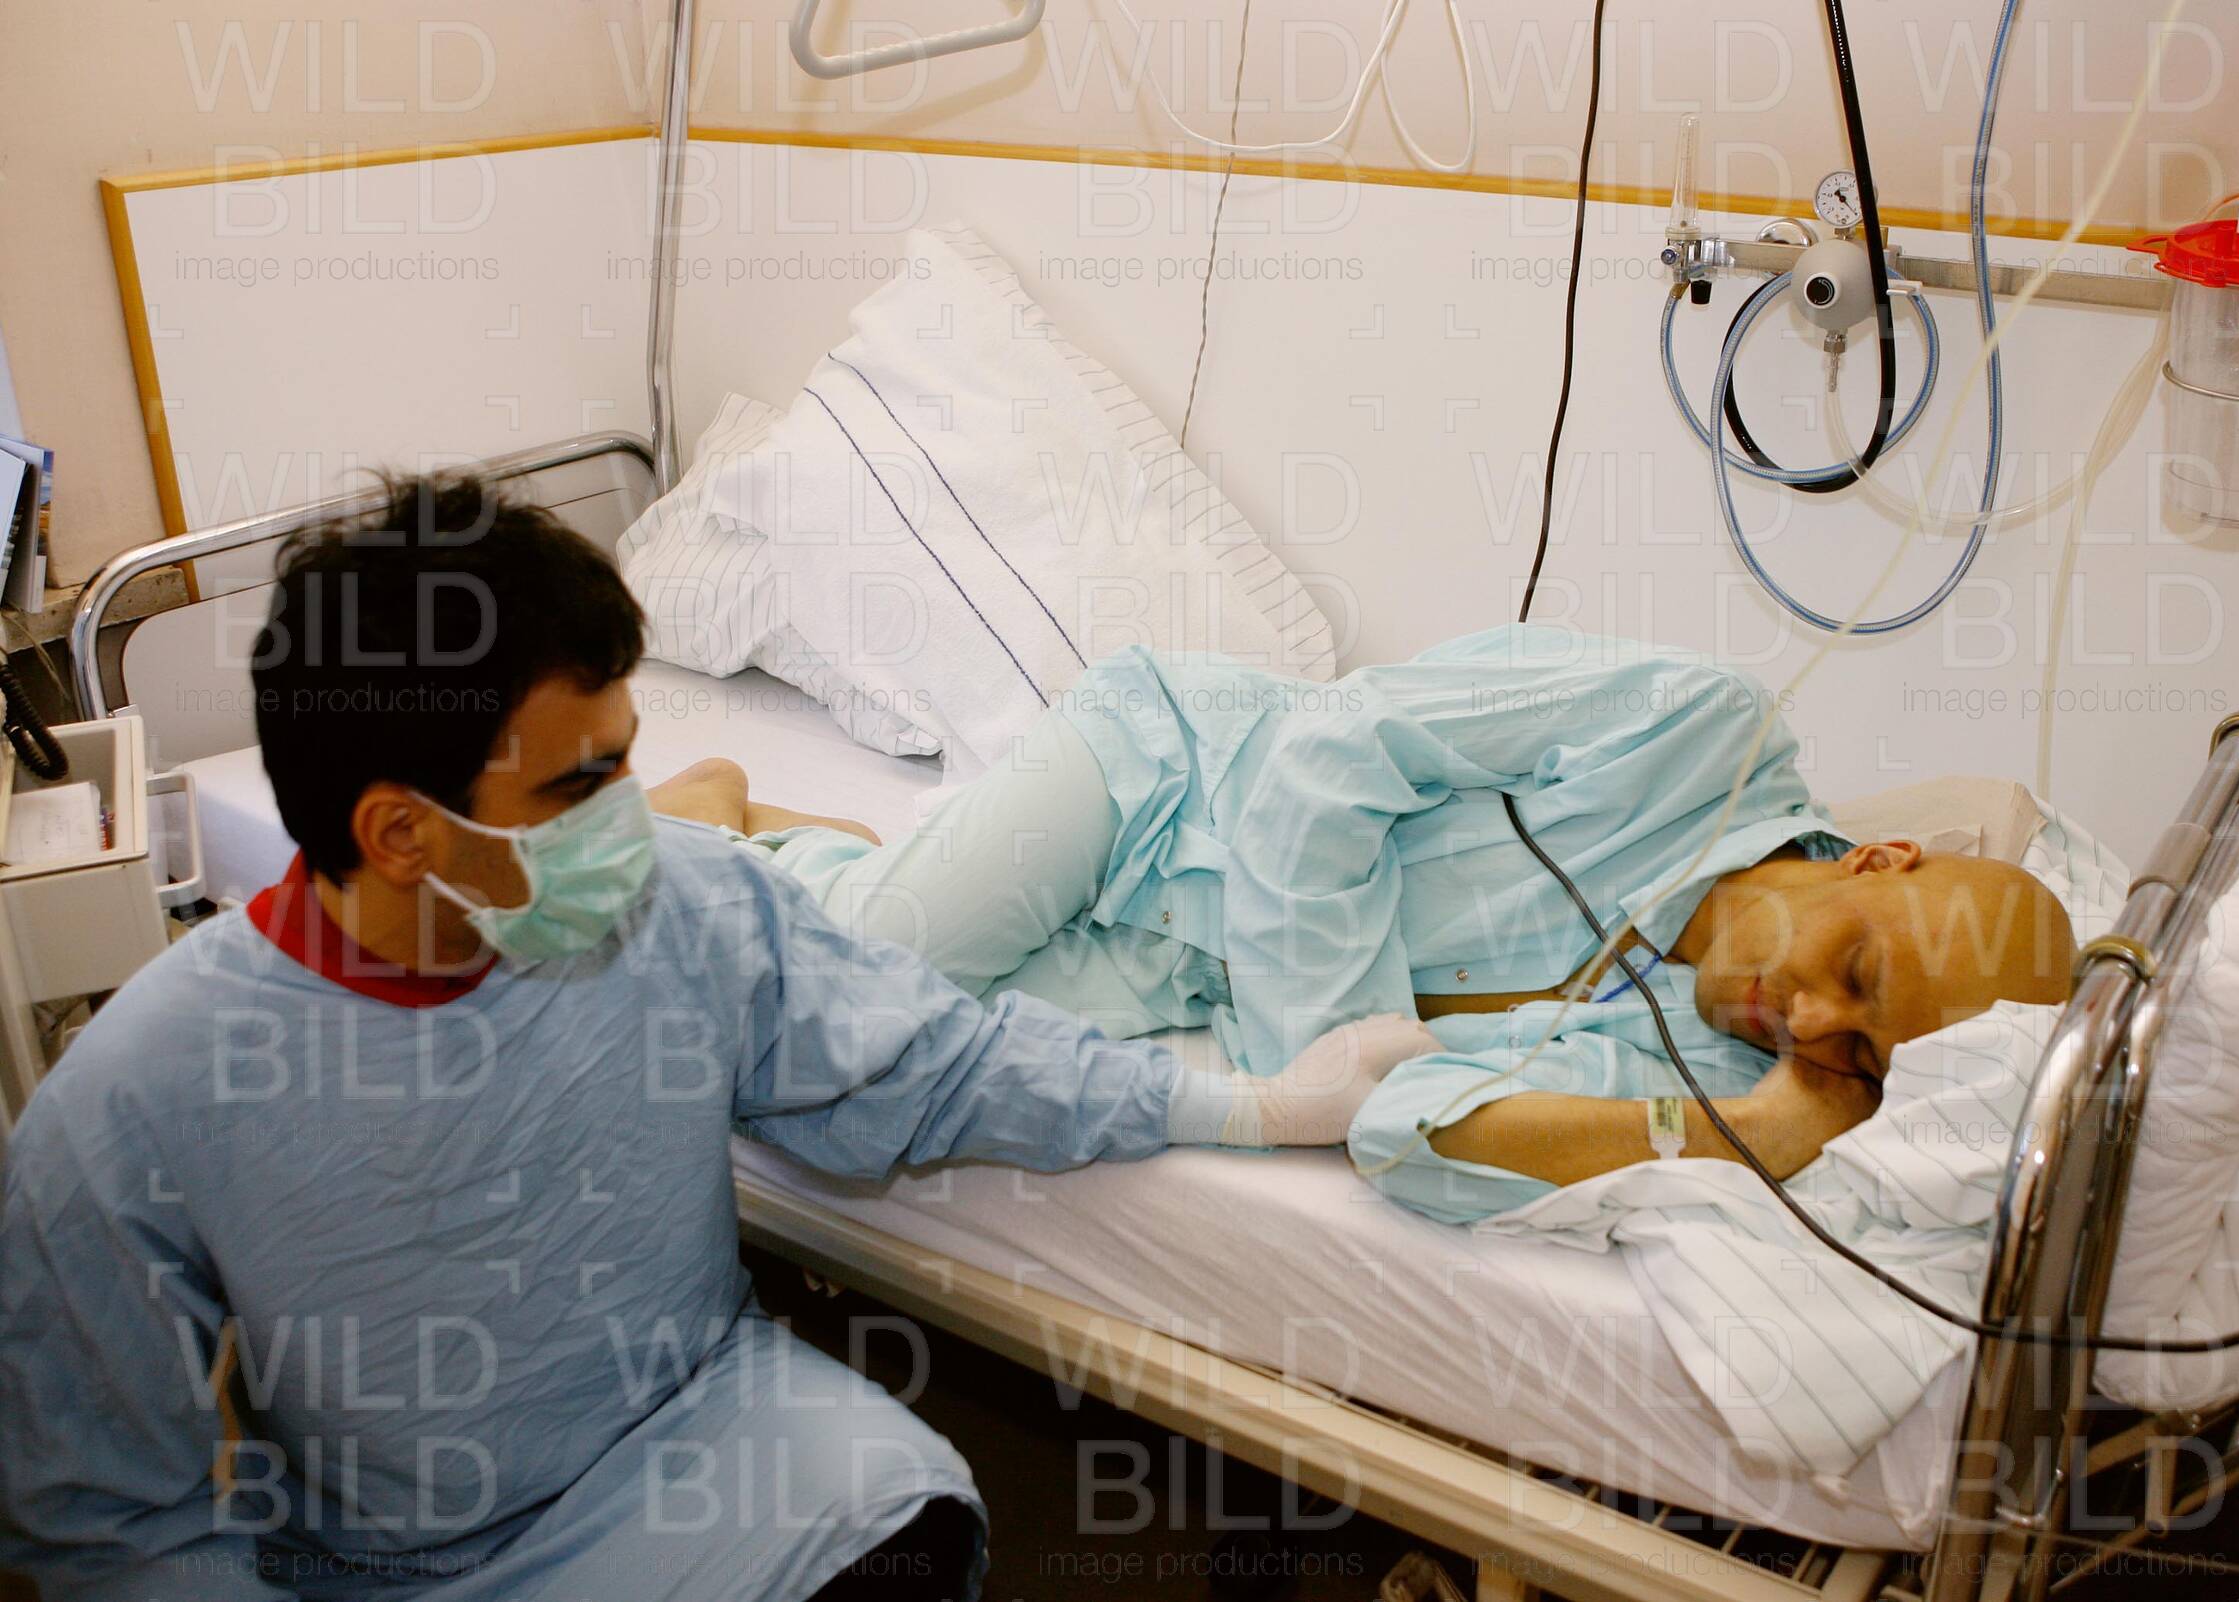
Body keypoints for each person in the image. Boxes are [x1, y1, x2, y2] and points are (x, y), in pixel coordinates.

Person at [0, 476, 1384, 1602]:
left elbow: (939, 1059)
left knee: (899, 1523)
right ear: (400, 830)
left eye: (629, 754)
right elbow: (111, 1523)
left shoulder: (691, 903)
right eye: (581, 784)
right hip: (402, 1562)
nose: (632, 813)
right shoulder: (143, 1099)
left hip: (696, 1428)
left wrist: (1252, 1108)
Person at [671, 622, 2077, 1226]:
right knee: (869, 975)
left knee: (881, 1043)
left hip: (1185, 972)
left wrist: (1743, 1130)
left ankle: (808, 848)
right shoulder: (1696, 731)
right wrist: (1318, 1064)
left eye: (1863, 1054)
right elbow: (1326, 752)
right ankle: (701, 810)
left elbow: (1405, 1133)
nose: (1813, 1023)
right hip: (1167, 781)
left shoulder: (1722, 1071)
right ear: (1876, 858)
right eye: (1857, 971)